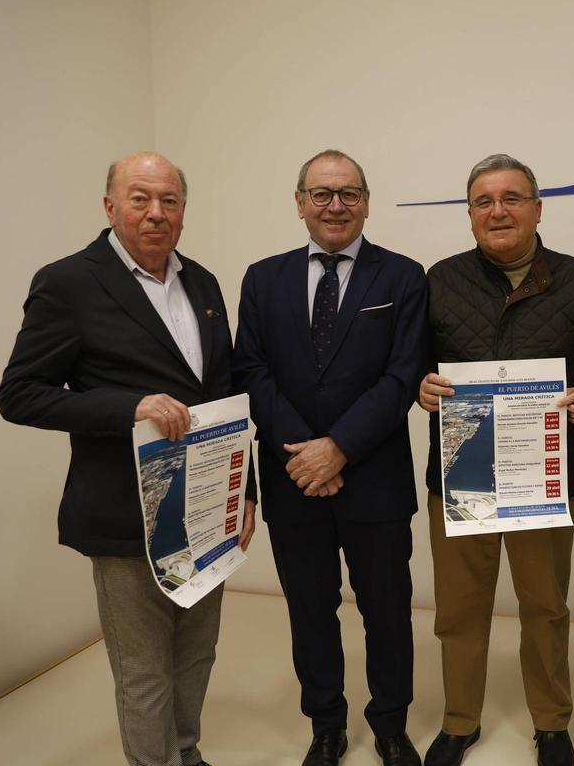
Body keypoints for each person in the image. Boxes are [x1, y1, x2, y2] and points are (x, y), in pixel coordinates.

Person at [0, 151, 251, 766]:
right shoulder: (68, 282)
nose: (156, 213)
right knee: (143, 670)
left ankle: (186, 752)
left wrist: (245, 499)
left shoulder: (205, 283)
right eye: (140, 198)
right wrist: (127, 407)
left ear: (184, 211)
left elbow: (225, 402)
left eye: (169, 201)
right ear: (110, 207)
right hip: (124, 511)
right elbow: (18, 394)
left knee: (195, 654)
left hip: (207, 509)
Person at [232, 149, 427, 766]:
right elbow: (251, 371)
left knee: (387, 611)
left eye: (348, 193)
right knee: (310, 608)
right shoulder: (262, 279)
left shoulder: (402, 277)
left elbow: (403, 376)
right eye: (321, 194)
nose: (335, 205)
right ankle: (326, 723)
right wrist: (304, 453)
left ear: (366, 202)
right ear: (299, 203)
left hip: (375, 477)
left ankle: (391, 724)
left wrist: (338, 448)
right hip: (293, 480)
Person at [416, 154, 574, 766]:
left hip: (544, 476)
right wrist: (417, 386)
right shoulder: (439, 279)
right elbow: (406, 366)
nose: (498, 211)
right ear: (470, 214)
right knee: (459, 609)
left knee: (545, 604)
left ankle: (552, 723)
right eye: (483, 201)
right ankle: (458, 720)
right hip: (460, 474)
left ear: (537, 208)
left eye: (512, 198)